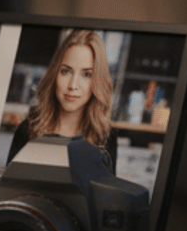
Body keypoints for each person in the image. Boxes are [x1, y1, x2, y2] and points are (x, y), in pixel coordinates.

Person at [9, 29, 117, 168]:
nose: (72, 85)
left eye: (86, 75)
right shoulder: (28, 129)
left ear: (97, 80)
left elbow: (108, 189)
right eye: (65, 71)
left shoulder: (106, 137)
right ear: (55, 74)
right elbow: (9, 187)